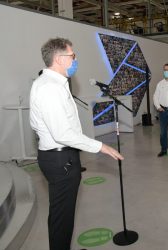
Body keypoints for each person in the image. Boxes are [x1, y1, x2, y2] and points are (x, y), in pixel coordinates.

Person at [30, 38, 124, 250]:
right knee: (62, 217)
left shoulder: (54, 84)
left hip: (61, 156)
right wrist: (101, 146)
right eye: (72, 56)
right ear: (59, 59)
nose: (75, 60)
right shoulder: (49, 88)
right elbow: (62, 132)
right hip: (60, 158)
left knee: (61, 215)